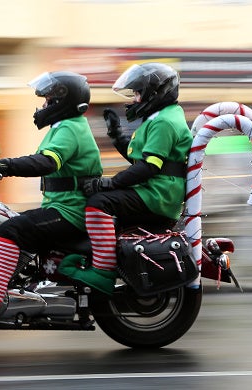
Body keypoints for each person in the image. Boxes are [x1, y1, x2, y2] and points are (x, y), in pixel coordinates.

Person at [0, 70, 103, 315]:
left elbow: (45, 162)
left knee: (11, 229)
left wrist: (1, 165)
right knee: (9, 220)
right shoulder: (65, 127)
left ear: (62, 101)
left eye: (48, 100)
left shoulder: (71, 128)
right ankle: (10, 283)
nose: (43, 105)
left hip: (70, 212)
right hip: (61, 208)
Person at [59, 62, 193, 295]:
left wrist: (109, 182)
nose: (135, 99)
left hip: (157, 195)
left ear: (155, 93)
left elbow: (149, 167)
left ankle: (102, 271)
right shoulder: (162, 116)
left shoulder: (164, 122)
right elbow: (141, 160)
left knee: (99, 203)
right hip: (155, 189)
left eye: (139, 93)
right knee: (102, 200)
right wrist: (116, 134)